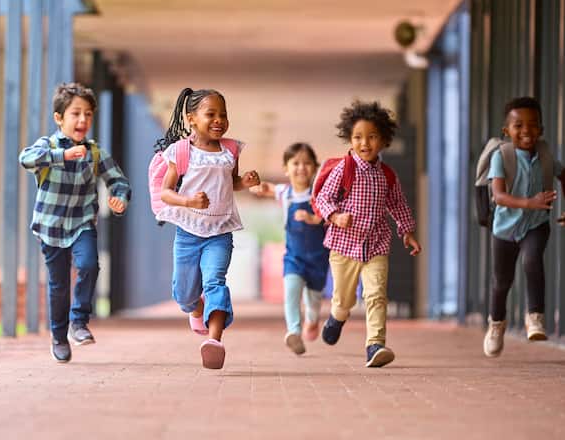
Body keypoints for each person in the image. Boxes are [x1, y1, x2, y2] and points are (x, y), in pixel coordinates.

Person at [19, 82, 131, 363]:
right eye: (75, 113)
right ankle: (58, 337)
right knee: (58, 285)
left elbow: (119, 181)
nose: (83, 120)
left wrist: (119, 198)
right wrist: (62, 156)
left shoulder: (95, 153)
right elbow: (26, 159)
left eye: (88, 114)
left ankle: (78, 323)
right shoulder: (48, 145)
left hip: (82, 223)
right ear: (59, 118)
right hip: (51, 226)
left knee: (89, 264)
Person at [156, 88, 260, 369]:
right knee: (184, 293)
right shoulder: (181, 152)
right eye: (210, 114)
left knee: (215, 282)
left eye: (223, 115)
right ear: (191, 119)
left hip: (220, 231)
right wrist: (188, 200)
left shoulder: (231, 150)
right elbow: (166, 192)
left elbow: (231, 182)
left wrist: (245, 183)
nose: (219, 120)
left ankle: (214, 341)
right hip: (188, 232)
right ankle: (196, 308)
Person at [315, 100, 421, 368]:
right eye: (358, 137)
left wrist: (407, 231)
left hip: (376, 244)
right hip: (344, 246)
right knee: (345, 299)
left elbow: (397, 203)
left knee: (376, 294)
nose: (365, 143)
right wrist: (336, 216)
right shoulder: (344, 168)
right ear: (350, 140)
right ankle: (337, 317)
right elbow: (325, 197)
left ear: (384, 141)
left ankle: (375, 344)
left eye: (372, 137)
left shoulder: (387, 174)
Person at [484, 96, 563, 357]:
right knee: (501, 282)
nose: (526, 131)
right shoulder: (502, 156)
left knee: (532, 260)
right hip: (505, 229)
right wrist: (531, 202)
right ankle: (496, 325)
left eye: (532, 125)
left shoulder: (546, 156)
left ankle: (535, 317)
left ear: (540, 129)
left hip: (536, 225)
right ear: (507, 131)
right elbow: (499, 196)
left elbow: (563, 175)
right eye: (518, 126)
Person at [250, 142, 329, 355]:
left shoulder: (319, 194)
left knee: (313, 302)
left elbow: (329, 215)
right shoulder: (285, 192)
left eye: (306, 163)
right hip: (294, 256)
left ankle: (312, 320)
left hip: (318, 259)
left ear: (314, 168)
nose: (301, 168)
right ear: (286, 168)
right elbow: (269, 188)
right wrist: (259, 187)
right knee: (291, 291)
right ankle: (293, 332)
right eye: (295, 163)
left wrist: (313, 218)